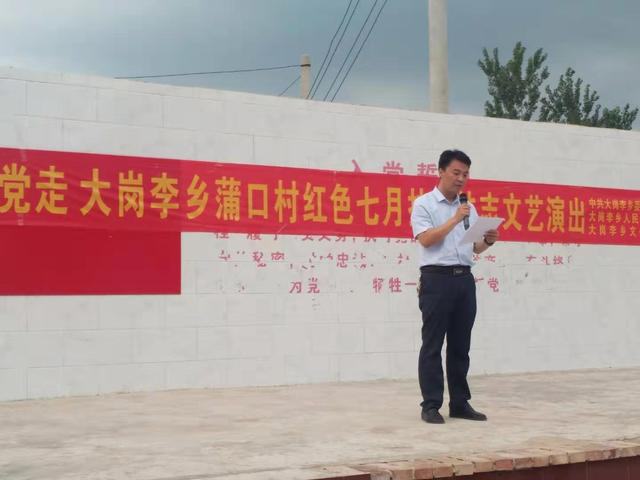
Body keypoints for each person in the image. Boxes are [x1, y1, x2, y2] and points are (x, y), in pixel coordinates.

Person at [410, 149, 499, 424]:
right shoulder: (424, 204)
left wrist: (488, 240)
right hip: (436, 279)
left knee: (461, 345)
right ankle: (431, 405)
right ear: (441, 171)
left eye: (466, 174)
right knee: (433, 344)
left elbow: (474, 247)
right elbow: (426, 240)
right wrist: (454, 219)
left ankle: (460, 403)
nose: (461, 179)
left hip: (464, 280)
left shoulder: (468, 207)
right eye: (456, 172)